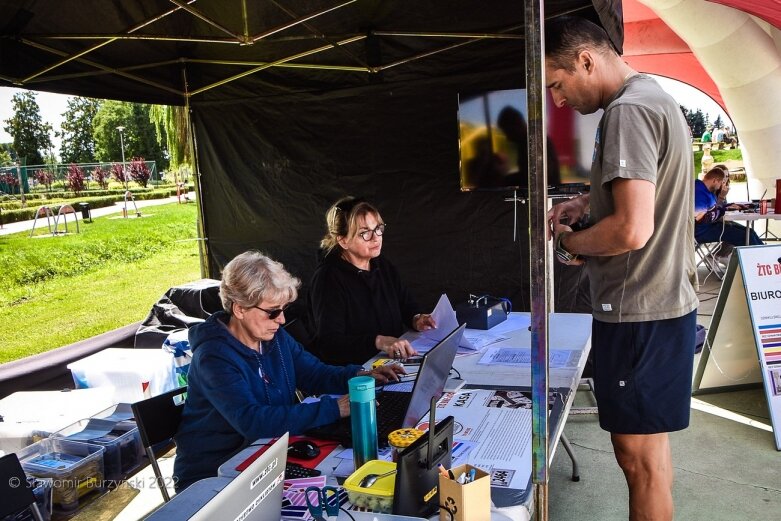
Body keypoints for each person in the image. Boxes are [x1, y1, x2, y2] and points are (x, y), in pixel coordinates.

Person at [545, 16, 698, 521]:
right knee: (649, 456)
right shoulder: (652, 97)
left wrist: (572, 242)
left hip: (638, 312)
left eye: (557, 84)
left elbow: (632, 230)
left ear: (586, 60)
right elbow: (640, 193)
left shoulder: (628, 113)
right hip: (659, 305)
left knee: (638, 461)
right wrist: (587, 200)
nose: (558, 101)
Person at [173, 250, 403, 491]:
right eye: (273, 311)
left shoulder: (273, 337)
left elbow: (314, 373)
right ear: (239, 309)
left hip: (268, 454)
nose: (281, 319)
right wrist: (334, 408)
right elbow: (254, 422)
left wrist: (358, 375)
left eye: (283, 309)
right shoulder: (214, 356)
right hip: (213, 475)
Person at [309, 196, 436, 365]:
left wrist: (416, 318)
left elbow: (404, 303)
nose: (376, 237)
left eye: (378, 228)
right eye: (365, 233)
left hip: (390, 363)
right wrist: (379, 342)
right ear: (343, 240)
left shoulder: (381, 264)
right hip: (356, 374)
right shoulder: (328, 279)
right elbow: (329, 345)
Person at [695, 165, 763, 250]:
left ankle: (768, 258)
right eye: (721, 183)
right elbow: (702, 218)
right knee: (745, 236)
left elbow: (714, 209)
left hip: (709, 227)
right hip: (701, 232)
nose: (721, 186)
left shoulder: (707, 190)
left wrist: (729, 206)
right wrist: (724, 208)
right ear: (715, 180)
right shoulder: (699, 191)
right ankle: (763, 260)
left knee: (750, 232)